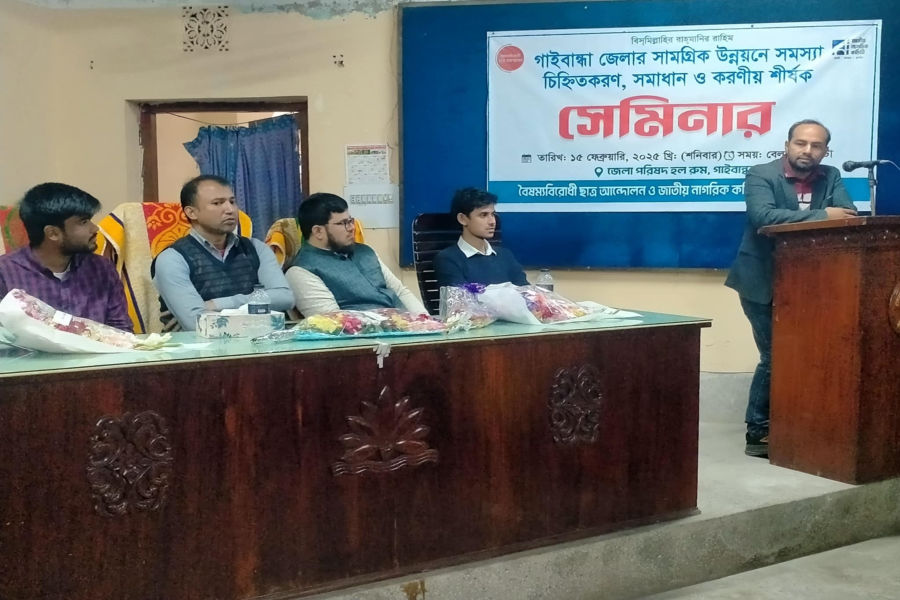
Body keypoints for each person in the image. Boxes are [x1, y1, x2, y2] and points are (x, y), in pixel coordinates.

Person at [725, 119, 858, 458]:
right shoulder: (761, 174)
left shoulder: (831, 176)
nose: (807, 151)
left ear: (825, 151)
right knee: (775, 355)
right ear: (787, 145)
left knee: (805, 355)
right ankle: (758, 431)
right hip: (761, 281)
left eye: (816, 146)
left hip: (810, 284)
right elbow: (764, 218)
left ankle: (796, 422)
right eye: (801, 143)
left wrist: (829, 216)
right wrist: (822, 216)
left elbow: (847, 215)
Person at [152, 175, 293, 330]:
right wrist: (256, 304)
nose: (230, 210)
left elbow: (285, 298)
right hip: (195, 344)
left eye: (232, 202)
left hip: (259, 341)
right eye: (217, 203)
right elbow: (197, 323)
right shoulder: (173, 259)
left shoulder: (256, 248)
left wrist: (219, 304)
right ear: (192, 213)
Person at [0, 182, 132, 331]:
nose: (95, 228)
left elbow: (122, 330)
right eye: (83, 222)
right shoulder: (5, 273)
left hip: (97, 347)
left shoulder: (102, 269)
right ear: (53, 233)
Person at [287, 193, 427, 316]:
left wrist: (426, 321)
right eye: (343, 223)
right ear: (318, 231)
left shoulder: (365, 252)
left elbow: (400, 291)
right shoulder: (301, 271)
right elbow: (334, 323)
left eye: (350, 221)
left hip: (406, 327)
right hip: (367, 334)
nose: (352, 228)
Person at [433, 188, 528, 289]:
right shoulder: (448, 259)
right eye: (483, 215)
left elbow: (526, 292)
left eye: (493, 214)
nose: (492, 222)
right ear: (462, 219)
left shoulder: (505, 255)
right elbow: (461, 298)